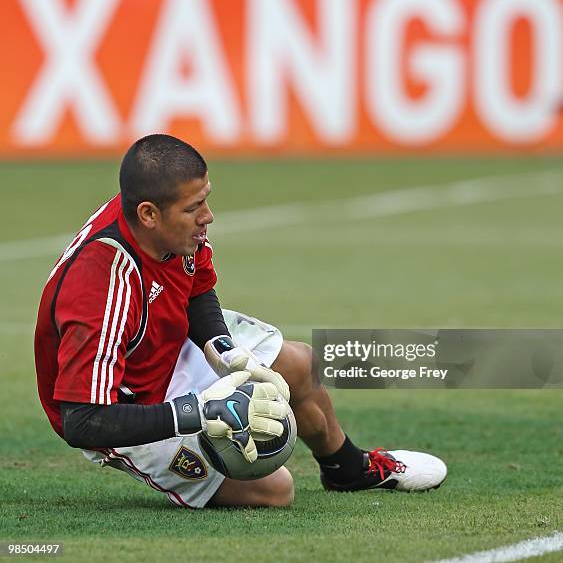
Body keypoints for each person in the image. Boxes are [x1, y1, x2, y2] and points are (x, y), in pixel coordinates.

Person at [34, 134, 447, 509]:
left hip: (165, 346)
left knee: (300, 364)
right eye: (194, 207)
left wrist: (221, 350)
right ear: (148, 214)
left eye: (206, 199)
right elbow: (83, 420)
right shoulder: (103, 283)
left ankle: (348, 469)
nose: (208, 216)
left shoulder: (171, 223)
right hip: (126, 406)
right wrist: (195, 413)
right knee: (275, 489)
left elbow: (195, 289)